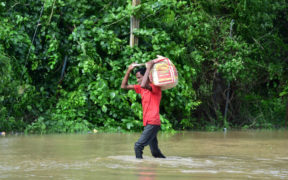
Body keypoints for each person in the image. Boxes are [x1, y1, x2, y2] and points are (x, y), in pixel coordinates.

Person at [121, 60, 166, 159]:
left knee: (138, 146)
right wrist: (128, 70)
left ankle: (139, 166)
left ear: (146, 76)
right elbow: (123, 86)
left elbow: (143, 84)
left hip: (153, 122)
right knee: (155, 152)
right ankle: (168, 164)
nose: (137, 80)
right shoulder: (141, 89)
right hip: (148, 123)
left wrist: (149, 68)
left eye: (139, 78)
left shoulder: (155, 87)